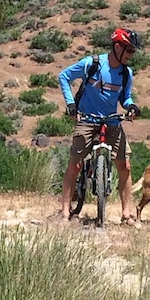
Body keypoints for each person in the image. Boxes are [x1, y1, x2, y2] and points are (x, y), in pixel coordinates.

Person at [58, 27, 142, 226]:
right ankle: (64, 212)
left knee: (125, 165)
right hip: (87, 119)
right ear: (117, 47)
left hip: (112, 120)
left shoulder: (125, 74)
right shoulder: (93, 64)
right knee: (75, 163)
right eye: (129, 50)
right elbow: (64, 76)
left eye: (133, 51)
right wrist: (71, 105)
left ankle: (126, 214)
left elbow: (125, 97)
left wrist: (131, 106)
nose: (131, 55)